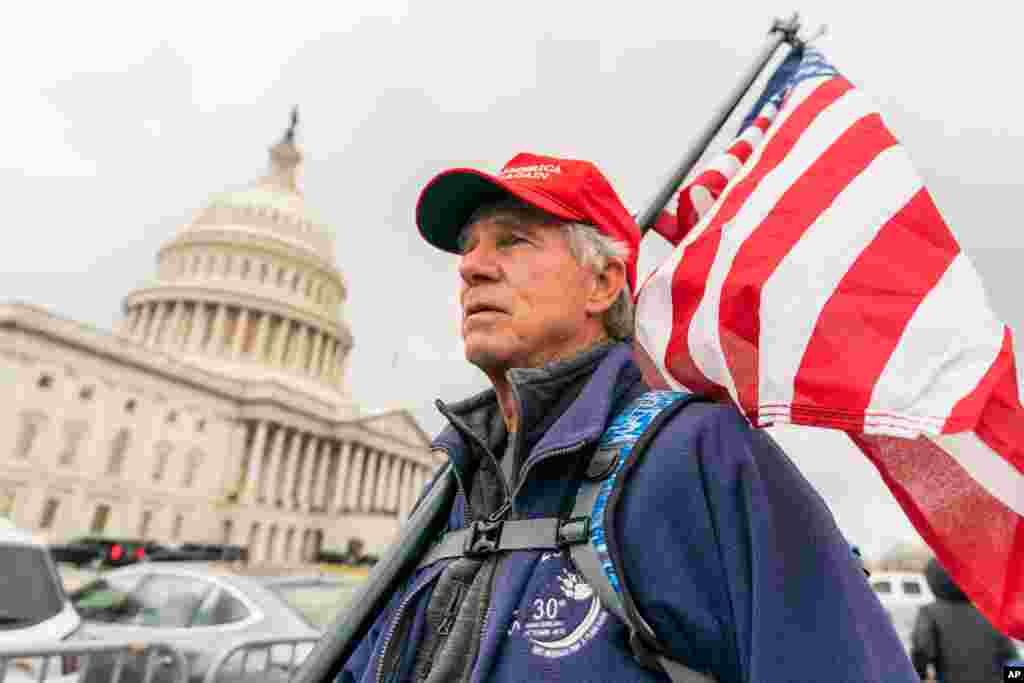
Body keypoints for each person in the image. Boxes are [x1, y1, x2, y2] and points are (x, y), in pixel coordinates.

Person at [339, 152, 916, 682]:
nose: (473, 268)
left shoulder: (702, 456)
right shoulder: (453, 483)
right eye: (469, 246)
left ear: (603, 284)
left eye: (512, 242)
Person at [911, 557, 1018, 682]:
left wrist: (921, 675)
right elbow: (1012, 660)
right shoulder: (990, 614)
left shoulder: (930, 613)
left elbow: (922, 651)